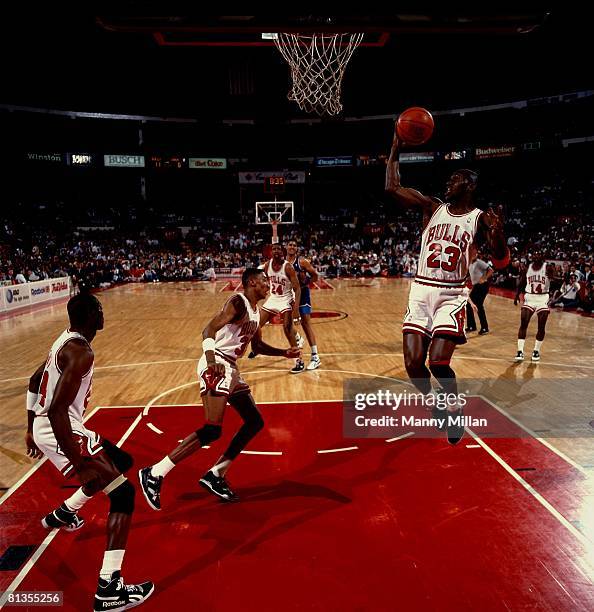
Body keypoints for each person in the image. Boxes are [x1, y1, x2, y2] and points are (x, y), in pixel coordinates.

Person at [26, 293, 154, 611]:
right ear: (92, 315)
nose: (103, 314)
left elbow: (33, 379)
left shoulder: (65, 341)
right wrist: (79, 463)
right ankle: (108, 589)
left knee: (121, 461)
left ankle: (66, 511)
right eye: (100, 310)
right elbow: (56, 411)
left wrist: (29, 428)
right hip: (62, 430)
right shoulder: (80, 352)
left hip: (60, 427)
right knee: (123, 495)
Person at [139, 268, 300, 506]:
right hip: (217, 363)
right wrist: (212, 361)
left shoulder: (255, 312)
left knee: (254, 421)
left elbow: (257, 346)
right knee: (212, 429)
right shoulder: (238, 302)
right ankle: (154, 473)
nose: (269, 285)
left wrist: (283, 353)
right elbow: (208, 330)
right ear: (252, 282)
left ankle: (216, 474)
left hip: (231, 368)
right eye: (265, 281)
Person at [385, 133, 508, 444]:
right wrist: (395, 149)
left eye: (454, 180)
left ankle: (454, 410)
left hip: (451, 294)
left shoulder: (480, 219)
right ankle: (436, 402)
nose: (447, 184)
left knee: (438, 362)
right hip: (421, 290)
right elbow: (393, 187)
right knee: (413, 364)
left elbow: (502, 261)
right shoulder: (432, 207)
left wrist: (498, 232)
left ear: (468, 185)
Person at [248, 243, 305, 373]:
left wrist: (296, 308)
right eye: (274, 249)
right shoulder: (267, 266)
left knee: (287, 328)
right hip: (274, 298)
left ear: (283, 252)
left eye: (279, 249)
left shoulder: (288, 267)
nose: (276, 251)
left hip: (286, 299)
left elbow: (297, 288)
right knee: (255, 325)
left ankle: (299, 360)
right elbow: (263, 280)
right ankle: (257, 348)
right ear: (271, 252)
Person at [286, 239, 322, 370]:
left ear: (296, 249)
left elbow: (315, 276)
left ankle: (315, 357)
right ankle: (298, 337)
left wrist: (306, 282)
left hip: (303, 295)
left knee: (306, 324)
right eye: (290, 245)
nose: (292, 247)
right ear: (286, 247)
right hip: (289, 295)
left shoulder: (302, 262)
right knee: (287, 324)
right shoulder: (283, 263)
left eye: (294, 245)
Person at [514, 252, 556, 361]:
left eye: (538, 255)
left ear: (542, 257)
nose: (536, 257)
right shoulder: (527, 268)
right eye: (534, 255)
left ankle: (536, 351)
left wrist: (552, 277)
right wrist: (517, 295)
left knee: (541, 326)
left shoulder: (548, 267)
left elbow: (555, 280)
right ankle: (520, 351)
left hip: (542, 298)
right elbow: (522, 282)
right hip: (530, 298)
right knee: (523, 323)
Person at [465, 251, 493, 335]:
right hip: (476, 286)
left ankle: (485, 327)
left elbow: (491, 270)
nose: (473, 255)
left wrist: (484, 278)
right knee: (468, 304)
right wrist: (468, 278)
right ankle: (471, 326)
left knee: (479, 305)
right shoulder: (470, 264)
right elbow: (474, 274)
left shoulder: (479, 262)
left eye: (474, 254)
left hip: (482, 286)